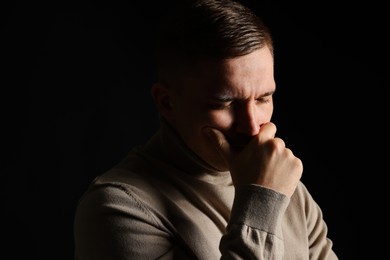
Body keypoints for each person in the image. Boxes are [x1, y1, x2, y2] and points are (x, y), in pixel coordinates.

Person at [73, 0, 339, 259]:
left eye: (263, 98)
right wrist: (261, 202)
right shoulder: (117, 208)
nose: (250, 125)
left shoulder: (284, 183)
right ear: (167, 103)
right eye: (225, 103)